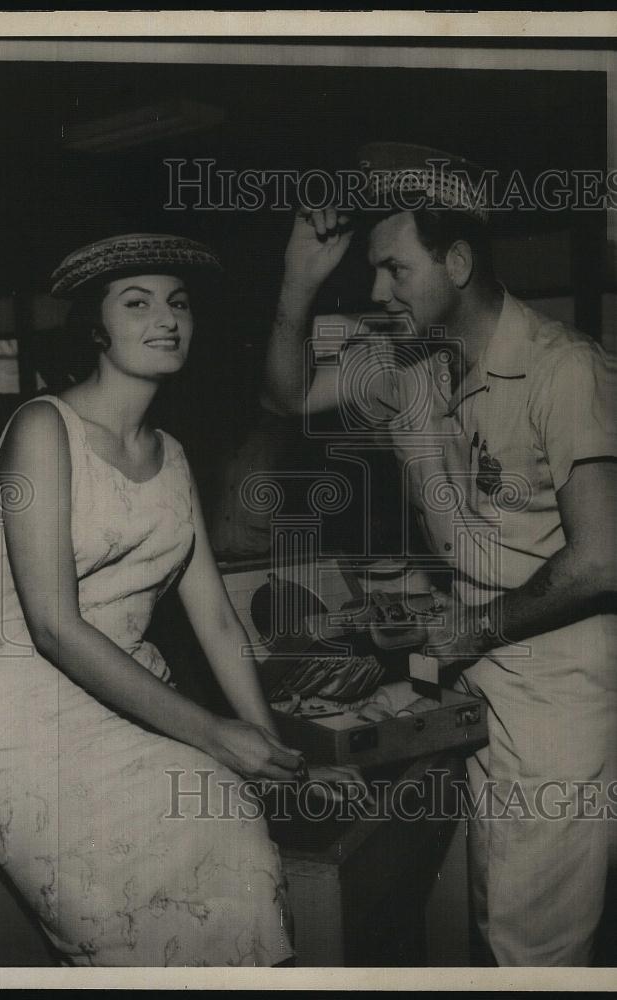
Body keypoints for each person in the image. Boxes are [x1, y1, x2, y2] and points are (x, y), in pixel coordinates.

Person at [262, 144, 617, 966]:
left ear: (456, 261)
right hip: (470, 663)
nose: (377, 292)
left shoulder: (563, 370)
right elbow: (283, 396)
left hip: (558, 682)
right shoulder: (406, 361)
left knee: (533, 944)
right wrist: (296, 284)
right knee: (486, 911)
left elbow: (601, 559)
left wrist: (470, 627)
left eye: (393, 269)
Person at [0, 233, 317, 967]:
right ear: (96, 329)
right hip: (34, 725)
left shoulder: (174, 453)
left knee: (230, 823)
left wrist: (273, 753)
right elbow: (53, 627)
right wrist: (214, 734)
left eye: (178, 304)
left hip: (134, 703)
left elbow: (219, 621)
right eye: (137, 304)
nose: (165, 319)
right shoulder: (42, 428)